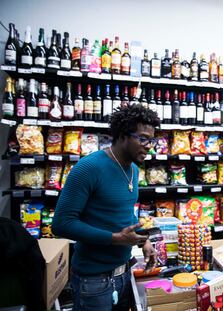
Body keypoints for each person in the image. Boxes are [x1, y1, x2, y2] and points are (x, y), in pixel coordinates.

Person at [52, 104, 160, 311]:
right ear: (122, 135)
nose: (149, 146)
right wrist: (115, 239)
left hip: (123, 274)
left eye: (152, 140)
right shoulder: (89, 168)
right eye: (143, 138)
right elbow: (61, 224)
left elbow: (123, 212)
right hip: (92, 280)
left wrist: (142, 240)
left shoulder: (134, 170)